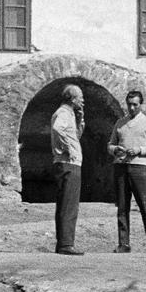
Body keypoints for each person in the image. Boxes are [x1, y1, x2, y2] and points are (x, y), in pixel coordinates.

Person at [108, 89, 146, 253]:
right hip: (120, 167)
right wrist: (114, 149)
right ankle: (123, 243)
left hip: (140, 168)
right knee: (122, 206)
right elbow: (110, 144)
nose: (131, 108)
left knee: (145, 205)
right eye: (129, 104)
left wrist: (139, 150)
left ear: (141, 105)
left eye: (135, 105)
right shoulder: (120, 123)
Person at [50, 83, 85, 255]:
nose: (83, 101)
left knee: (67, 204)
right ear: (72, 99)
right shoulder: (63, 113)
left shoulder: (70, 114)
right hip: (68, 163)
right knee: (69, 204)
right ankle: (65, 244)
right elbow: (58, 129)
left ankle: (64, 243)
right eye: (80, 98)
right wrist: (68, 148)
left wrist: (80, 120)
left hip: (70, 163)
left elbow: (74, 136)